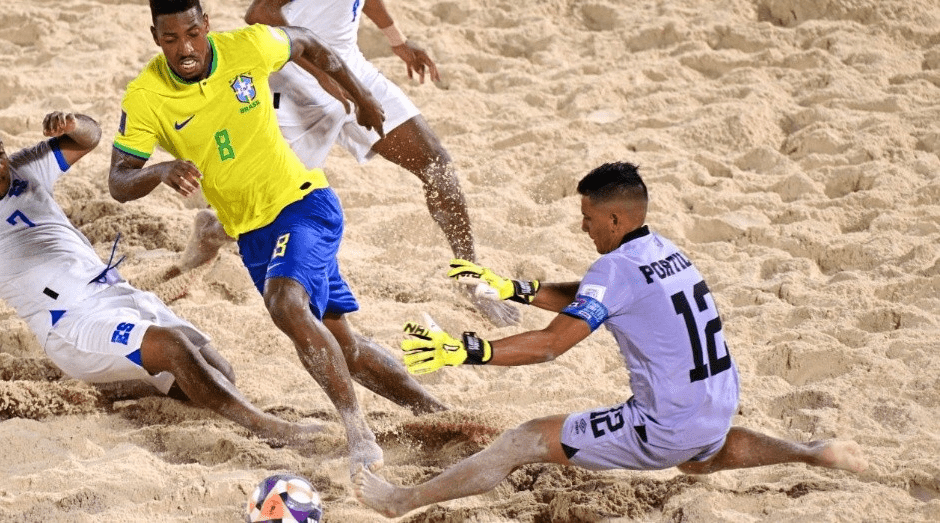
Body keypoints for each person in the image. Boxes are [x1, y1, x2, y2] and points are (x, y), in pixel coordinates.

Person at [353, 162, 868, 517]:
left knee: (522, 439)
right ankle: (811, 452)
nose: (583, 227)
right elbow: (595, 296)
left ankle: (400, 501)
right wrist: (516, 289)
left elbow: (552, 346)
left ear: (617, 219)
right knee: (700, 456)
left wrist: (467, 350)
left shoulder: (615, 267)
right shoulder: (663, 250)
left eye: (589, 218)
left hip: (665, 425)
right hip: (719, 401)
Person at [107, 0, 446, 474]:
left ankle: (360, 436)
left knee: (284, 303)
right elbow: (119, 180)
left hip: (304, 203)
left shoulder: (246, 47)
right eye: (171, 38)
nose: (185, 48)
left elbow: (307, 40)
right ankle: (439, 415)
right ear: (156, 36)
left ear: (206, 25)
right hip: (252, 233)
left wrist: (360, 95)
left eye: (194, 33)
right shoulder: (145, 96)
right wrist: (158, 171)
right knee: (344, 348)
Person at [180, 0, 519, 328]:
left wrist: (398, 42)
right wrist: (326, 76)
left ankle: (471, 280)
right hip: (294, 86)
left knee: (436, 164)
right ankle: (212, 230)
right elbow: (259, 13)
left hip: (350, 69)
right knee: (262, 211)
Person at [0, 108, 320, 444]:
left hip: (117, 294)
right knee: (175, 349)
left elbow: (89, 137)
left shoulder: (23, 171)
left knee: (217, 372)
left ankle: (118, 385)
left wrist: (71, 122)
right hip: (70, 324)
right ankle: (267, 427)